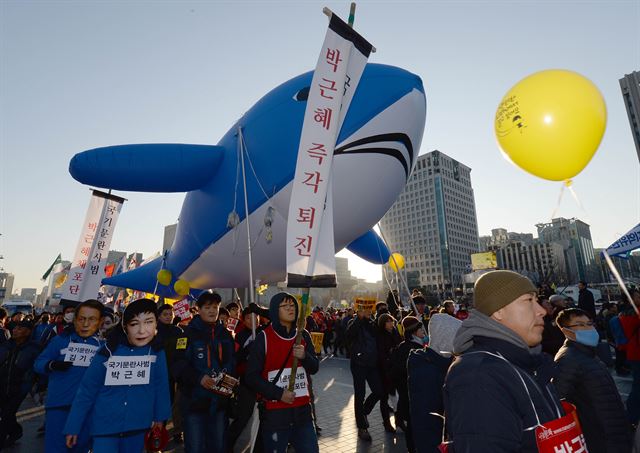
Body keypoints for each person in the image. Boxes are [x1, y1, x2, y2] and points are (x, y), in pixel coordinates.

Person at [444, 270, 564, 452]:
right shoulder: (479, 375)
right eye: (528, 300)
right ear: (498, 310)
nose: (542, 311)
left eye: (538, 300)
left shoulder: (528, 364)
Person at [64, 299, 171, 453]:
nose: (142, 330)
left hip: (138, 427)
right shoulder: (107, 351)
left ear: (156, 325)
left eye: (149, 322)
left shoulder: (156, 352)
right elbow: (87, 390)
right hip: (104, 427)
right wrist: (73, 426)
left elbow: (161, 387)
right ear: (125, 326)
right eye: (134, 324)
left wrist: (160, 419)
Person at [244, 292, 319, 453]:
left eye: (292, 305)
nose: (290, 308)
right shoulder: (263, 338)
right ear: (274, 311)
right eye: (285, 306)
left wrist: (305, 356)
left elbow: (315, 367)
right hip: (275, 415)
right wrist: (279, 394)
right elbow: (251, 377)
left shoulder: (303, 335)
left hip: (303, 414)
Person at [553, 308, 632, 453]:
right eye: (580, 324)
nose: (588, 328)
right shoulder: (568, 359)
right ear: (566, 331)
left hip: (614, 433)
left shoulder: (587, 353)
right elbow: (558, 403)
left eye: (589, 323)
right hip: (599, 439)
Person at [34, 299, 105, 453]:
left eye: (92, 319)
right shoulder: (61, 340)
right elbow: (38, 363)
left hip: (89, 408)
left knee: (81, 447)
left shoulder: (104, 347)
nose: (86, 324)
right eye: (81, 319)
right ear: (75, 320)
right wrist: (52, 364)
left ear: (100, 322)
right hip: (60, 404)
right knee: (56, 448)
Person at [172, 292, 235, 453]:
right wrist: (198, 378)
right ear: (198, 309)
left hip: (219, 404)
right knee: (195, 447)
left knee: (218, 447)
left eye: (215, 307)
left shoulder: (226, 334)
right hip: (194, 404)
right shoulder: (187, 334)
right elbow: (178, 365)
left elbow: (231, 362)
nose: (212, 311)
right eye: (207, 307)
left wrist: (228, 378)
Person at [408, 313, 462, 453]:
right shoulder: (427, 373)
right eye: (457, 338)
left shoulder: (441, 364)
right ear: (446, 340)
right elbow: (426, 425)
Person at [345, 303, 386, 441]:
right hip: (359, 364)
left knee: (379, 391)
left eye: (370, 309)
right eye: (366, 310)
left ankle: (363, 412)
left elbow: (378, 336)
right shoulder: (354, 322)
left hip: (372, 364)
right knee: (360, 394)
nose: (369, 312)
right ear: (360, 310)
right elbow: (349, 335)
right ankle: (362, 427)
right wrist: (359, 319)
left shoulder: (372, 323)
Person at [0, 320, 40, 448]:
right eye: (15, 328)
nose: (15, 330)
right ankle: (16, 431)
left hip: (20, 388)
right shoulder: (6, 345)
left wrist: (32, 384)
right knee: (5, 413)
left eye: (19, 328)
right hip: (3, 385)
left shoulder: (34, 348)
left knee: (7, 414)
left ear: (28, 332)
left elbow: (36, 369)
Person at [389, 316, 426, 453]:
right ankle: (412, 448)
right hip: (409, 392)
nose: (423, 331)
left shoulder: (415, 345)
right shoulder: (411, 349)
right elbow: (400, 370)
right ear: (413, 332)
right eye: (420, 328)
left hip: (411, 393)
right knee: (412, 424)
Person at [375, 312, 401, 433]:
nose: (391, 323)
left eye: (392, 321)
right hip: (384, 371)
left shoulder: (395, 332)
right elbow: (381, 354)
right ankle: (386, 423)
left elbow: (400, 345)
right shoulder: (380, 335)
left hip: (396, 369)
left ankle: (399, 421)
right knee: (384, 398)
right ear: (383, 324)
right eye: (388, 322)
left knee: (398, 397)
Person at [621, 289, 640, 425]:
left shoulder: (624, 313)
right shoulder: (635, 313)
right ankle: (632, 416)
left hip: (633, 352)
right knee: (638, 386)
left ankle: (632, 415)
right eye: (638, 296)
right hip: (637, 352)